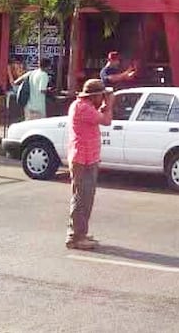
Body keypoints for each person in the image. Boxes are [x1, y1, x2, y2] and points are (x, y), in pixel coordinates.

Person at [65, 78, 113, 251]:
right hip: (82, 160)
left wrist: (103, 105)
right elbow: (107, 120)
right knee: (82, 198)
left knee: (85, 197)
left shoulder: (83, 106)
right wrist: (110, 104)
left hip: (87, 158)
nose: (103, 97)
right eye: (101, 95)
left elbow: (99, 116)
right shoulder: (84, 108)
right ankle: (75, 237)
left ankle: (80, 233)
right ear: (94, 96)